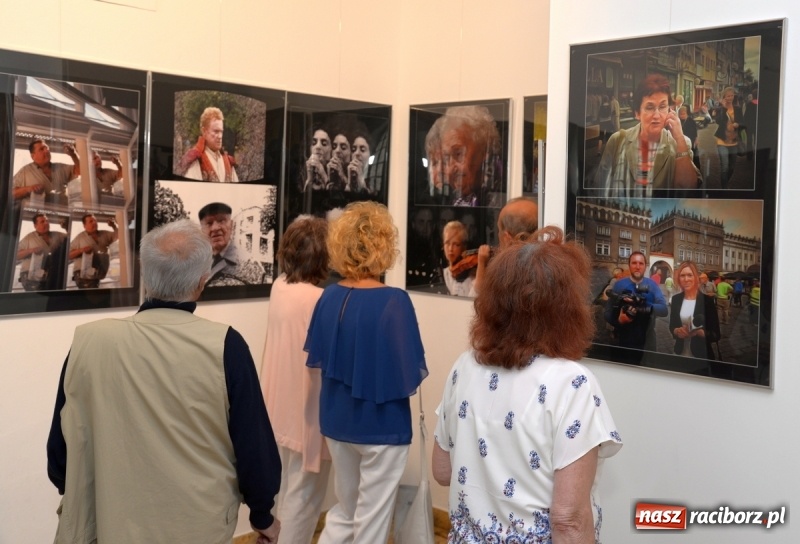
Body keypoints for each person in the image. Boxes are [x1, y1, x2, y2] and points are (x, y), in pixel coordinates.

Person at [46, 219, 281, 543]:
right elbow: (254, 448)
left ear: (146, 276)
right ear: (201, 281)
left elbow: (59, 457)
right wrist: (262, 515)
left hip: (109, 525)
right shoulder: (225, 346)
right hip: (196, 526)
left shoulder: (89, 342)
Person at [432, 226, 623, 543]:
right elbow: (568, 520)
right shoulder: (573, 384)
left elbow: (443, 471)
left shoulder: (464, 366)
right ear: (567, 308)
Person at [305, 201, 428, 543]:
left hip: (337, 422)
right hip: (382, 428)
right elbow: (410, 373)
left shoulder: (328, 297)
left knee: (345, 512)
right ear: (385, 246)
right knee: (372, 522)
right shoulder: (394, 301)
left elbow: (318, 361)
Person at [260, 216, 331, 543]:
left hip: (276, 408)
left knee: (283, 492)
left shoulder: (279, 287)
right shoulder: (320, 300)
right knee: (303, 501)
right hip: (307, 413)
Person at [594, 74, 701, 197]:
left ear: (670, 111)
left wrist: (679, 139)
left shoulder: (681, 144)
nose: (657, 115)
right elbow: (599, 190)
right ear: (637, 113)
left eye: (662, 107)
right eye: (649, 107)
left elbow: (688, 190)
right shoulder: (617, 141)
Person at [426, 105, 501, 206]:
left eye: (458, 154)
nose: (450, 169)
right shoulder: (453, 201)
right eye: (446, 158)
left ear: (483, 151)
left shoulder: (498, 198)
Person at [604, 251, 668, 353]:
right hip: (624, 340)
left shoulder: (652, 285)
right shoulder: (619, 285)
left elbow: (664, 310)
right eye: (634, 263)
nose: (637, 267)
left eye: (641, 263)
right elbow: (607, 313)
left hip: (648, 341)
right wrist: (619, 321)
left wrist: (644, 305)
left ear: (645, 267)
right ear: (629, 265)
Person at [475, 196, 539, 291]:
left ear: (507, 238)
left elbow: (480, 292)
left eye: (499, 230)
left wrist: (482, 263)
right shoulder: (552, 267)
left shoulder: (505, 277)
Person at [198, 202, 266, 287]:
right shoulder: (196, 263)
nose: (215, 228)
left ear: (232, 225)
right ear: (201, 230)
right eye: (209, 223)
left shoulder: (252, 265)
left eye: (221, 221)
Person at [669, 261, 720, 359]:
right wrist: (677, 331)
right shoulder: (676, 299)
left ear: (696, 277)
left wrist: (699, 332)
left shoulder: (707, 301)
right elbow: (672, 326)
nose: (686, 279)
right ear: (679, 278)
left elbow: (716, 335)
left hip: (701, 355)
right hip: (679, 353)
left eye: (689, 275)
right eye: (682, 275)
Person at [177, 106, 239, 182]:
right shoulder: (196, 161)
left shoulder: (228, 162)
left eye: (221, 131)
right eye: (216, 131)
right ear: (204, 131)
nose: (220, 136)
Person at [13, 139, 80, 205]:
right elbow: (11, 194)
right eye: (41, 149)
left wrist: (74, 155)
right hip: (37, 215)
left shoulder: (60, 168)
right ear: (33, 156)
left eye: (47, 148)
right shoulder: (25, 172)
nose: (46, 151)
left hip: (61, 213)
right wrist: (29, 189)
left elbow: (80, 171)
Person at [16, 213, 68, 291]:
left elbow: (69, 239)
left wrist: (66, 227)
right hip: (31, 276)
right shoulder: (29, 238)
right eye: (42, 222)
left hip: (50, 276)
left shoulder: (58, 235)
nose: (46, 223)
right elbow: (16, 255)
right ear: (35, 226)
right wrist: (31, 250)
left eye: (47, 221)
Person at [68, 214, 119, 289]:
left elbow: (120, 235)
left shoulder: (104, 234)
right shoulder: (79, 238)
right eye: (91, 221)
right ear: (84, 225)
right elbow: (68, 255)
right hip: (82, 275)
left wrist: (113, 226)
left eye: (95, 221)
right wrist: (81, 250)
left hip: (97, 273)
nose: (94, 223)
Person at [713, 87, 745, 189]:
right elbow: (718, 121)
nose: (730, 98)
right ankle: (724, 188)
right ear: (724, 97)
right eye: (728, 96)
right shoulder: (720, 109)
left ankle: (725, 181)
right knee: (724, 167)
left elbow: (743, 123)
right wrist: (723, 108)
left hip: (734, 142)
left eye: (732, 95)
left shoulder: (738, 109)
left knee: (731, 168)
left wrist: (738, 124)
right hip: (722, 141)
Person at [442, 220, 475, 297]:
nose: (450, 249)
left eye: (456, 244)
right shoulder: (442, 274)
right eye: (447, 243)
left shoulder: (472, 277)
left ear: (464, 247)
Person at [302, 125, 333, 191]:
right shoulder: (302, 173)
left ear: (331, 149)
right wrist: (309, 180)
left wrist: (324, 176)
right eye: (313, 143)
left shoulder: (336, 175)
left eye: (324, 143)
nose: (318, 146)